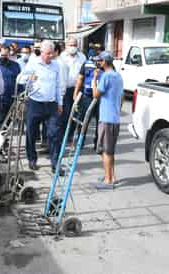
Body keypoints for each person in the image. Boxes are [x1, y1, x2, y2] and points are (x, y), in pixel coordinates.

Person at [23, 40, 63, 175]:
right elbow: (21, 78)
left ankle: (55, 163)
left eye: (52, 53)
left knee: (54, 134)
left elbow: (58, 85)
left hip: (51, 104)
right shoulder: (33, 63)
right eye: (47, 54)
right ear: (41, 52)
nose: (50, 56)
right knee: (31, 133)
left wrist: (60, 103)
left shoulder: (56, 65)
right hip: (35, 103)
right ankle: (32, 159)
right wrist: (29, 78)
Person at [91, 51, 124, 189]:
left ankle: (108, 180)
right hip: (115, 117)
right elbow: (121, 98)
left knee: (105, 151)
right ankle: (111, 176)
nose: (98, 63)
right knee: (110, 150)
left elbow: (95, 94)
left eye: (100, 61)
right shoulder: (118, 76)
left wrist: (94, 80)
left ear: (105, 62)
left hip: (106, 118)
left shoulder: (105, 76)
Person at [73, 48, 104, 150]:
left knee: (100, 121)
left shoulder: (106, 65)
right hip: (88, 97)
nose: (96, 62)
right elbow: (80, 78)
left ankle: (98, 143)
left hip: (101, 97)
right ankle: (80, 142)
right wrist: (76, 93)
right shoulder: (86, 64)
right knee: (84, 120)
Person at [61, 37, 86, 141]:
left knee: (77, 113)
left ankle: (71, 134)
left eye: (75, 45)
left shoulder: (82, 57)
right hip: (66, 89)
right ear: (66, 46)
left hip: (79, 89)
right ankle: (64, 134)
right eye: (71, 45)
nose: (73, 47)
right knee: (66, 113)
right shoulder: (62, 57)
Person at [0, 46, 21, 122]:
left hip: (11, 97)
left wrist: (20, 94)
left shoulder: (15, 65)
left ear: (9, 55)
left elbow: (19, 81)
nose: (4, 57)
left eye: (5, 55)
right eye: (2, 55)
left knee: (9, 120)